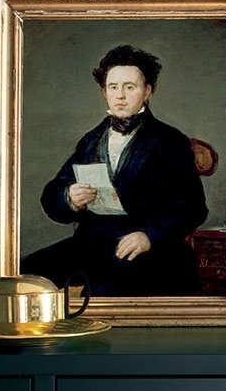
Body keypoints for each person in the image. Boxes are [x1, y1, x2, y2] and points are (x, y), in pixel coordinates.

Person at [20, 44, 209, 296]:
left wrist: (149, 235)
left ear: (147, 91)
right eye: (113, 87)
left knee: (106, 291)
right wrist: (68, 197)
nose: (120, 95)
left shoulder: (169, 141)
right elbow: (51, 196)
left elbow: (193, 207)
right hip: (92, 244)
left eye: (129, 87)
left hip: (151, 249)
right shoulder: (90, 141)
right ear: (104, 91)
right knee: (25, 275)